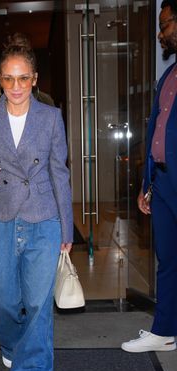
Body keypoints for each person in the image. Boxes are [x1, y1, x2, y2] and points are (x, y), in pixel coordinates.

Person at [0, 34, 73, 371]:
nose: (16, 86)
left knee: (40, 301)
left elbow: (60, 172)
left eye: (23, 78)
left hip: (43, 216)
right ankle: (11, 341)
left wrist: (67, 226)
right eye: (8, 78)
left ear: (35, 79)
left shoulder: (50, 117)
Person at [122, 0, 177, 353]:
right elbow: (158, 127)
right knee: (168, 259)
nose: (160, 33)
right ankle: (165, 330)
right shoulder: (168, 76)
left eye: (166, 23)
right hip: (162, 181)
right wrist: (147, 184)